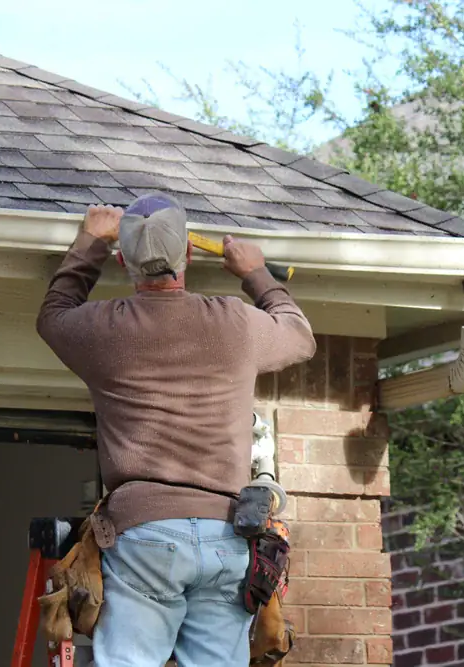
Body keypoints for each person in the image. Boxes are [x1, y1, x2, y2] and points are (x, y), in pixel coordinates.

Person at [35, 193, 316, 667]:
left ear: (123, 258)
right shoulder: (234, 322)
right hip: (228, 535)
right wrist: (254, 272)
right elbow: (299, 335)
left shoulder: (104, 328)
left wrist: (90, 242)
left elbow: (54, 315)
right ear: (188, 253)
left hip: (145, 535)